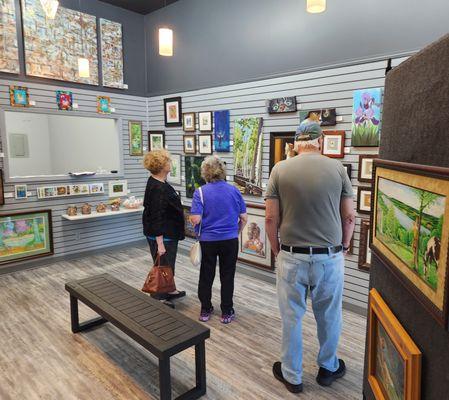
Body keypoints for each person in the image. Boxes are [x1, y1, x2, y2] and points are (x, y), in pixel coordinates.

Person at [265, 119, 355, 394]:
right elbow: (349, 216)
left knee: (291, 317)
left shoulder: (280, 169)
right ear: (319, 140)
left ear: (295, 142)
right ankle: (328, 368)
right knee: (329, 315)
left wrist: (275, 248)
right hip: (329, 257)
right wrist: (346, 243)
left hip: (291, 256)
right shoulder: (337, 168)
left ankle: (292, 376)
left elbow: (270, 217)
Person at [190, 156, 248, 324]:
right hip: (229, 240)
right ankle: (227, 311)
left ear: (205, 173)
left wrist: (194, 220)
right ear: (222, 171)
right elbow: (243, 217)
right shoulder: (234, 190)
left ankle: (205, 309)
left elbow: (195, 219)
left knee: (206, 275)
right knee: (227, 275)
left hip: (208, 241)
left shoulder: (200, 192)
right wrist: (236, 232)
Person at [142, 149, 186, 307]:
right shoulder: (158, 188)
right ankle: (160, 297)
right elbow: (156, 216)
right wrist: (160, 243)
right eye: (168, 161)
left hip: (168, 233)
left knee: (168, 264)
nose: (170, 163)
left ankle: (169, 289)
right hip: (162, 236)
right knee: (163, 265)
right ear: (161, 166)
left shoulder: (158, 182)